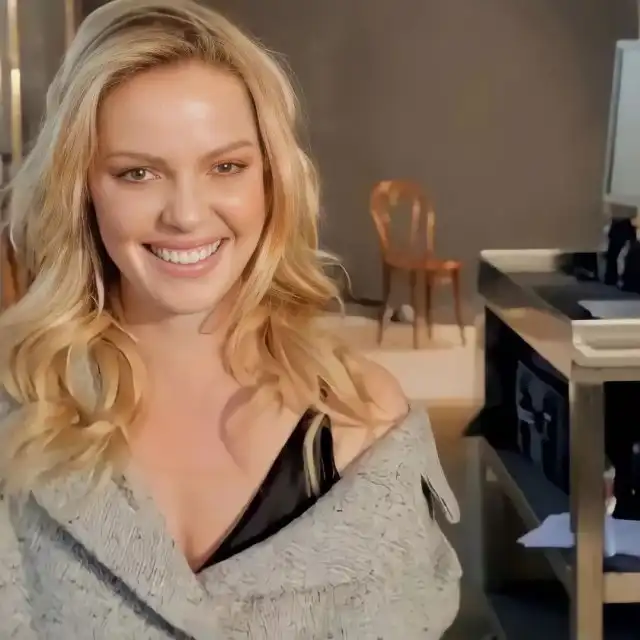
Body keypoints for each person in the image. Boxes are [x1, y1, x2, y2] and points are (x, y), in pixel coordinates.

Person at [0, 0, 461, 638]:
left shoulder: (364, 420)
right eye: (138, 173)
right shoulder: (18, 416)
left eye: (226, 167)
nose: (187, 215)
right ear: (83, 190)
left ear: (272, 180)